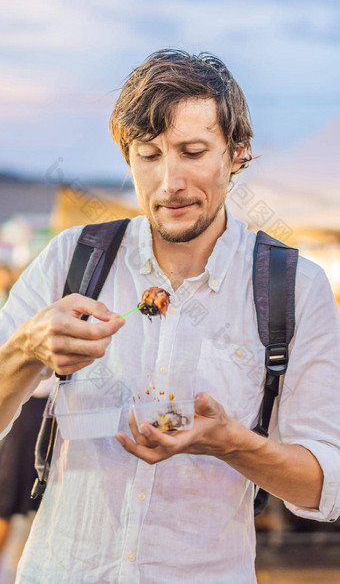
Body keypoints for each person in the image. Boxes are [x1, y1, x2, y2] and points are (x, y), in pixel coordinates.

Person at [0, 49, 339, 584]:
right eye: (150, 154)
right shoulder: (73, 258)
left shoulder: (296, 287)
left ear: (238, 153)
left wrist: (233, 444)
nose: (170, 182)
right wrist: (24, 349)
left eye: (193, 151)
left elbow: (324, 488)